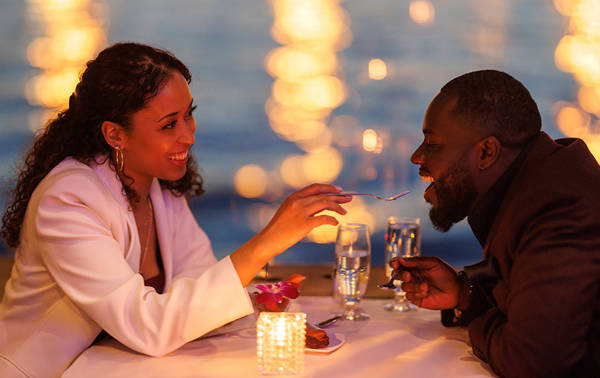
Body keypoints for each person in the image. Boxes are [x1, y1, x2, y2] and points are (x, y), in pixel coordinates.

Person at [0, 42, 351, 377]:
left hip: (118, 366)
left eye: (188, 116)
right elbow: (148, 326)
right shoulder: (67, 201)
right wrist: (266, 244)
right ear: (115, 135)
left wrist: (262, 301)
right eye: (169, 124)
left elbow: (195, 281)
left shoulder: (154, 185)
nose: (189, 135)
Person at [393, 69, 600, 377]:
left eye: (433, 144)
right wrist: (465, 294)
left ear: (487, 152)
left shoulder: (561, 214)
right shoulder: (538, 184)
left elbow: (532, 364)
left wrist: (481, 322)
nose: (417, 156)